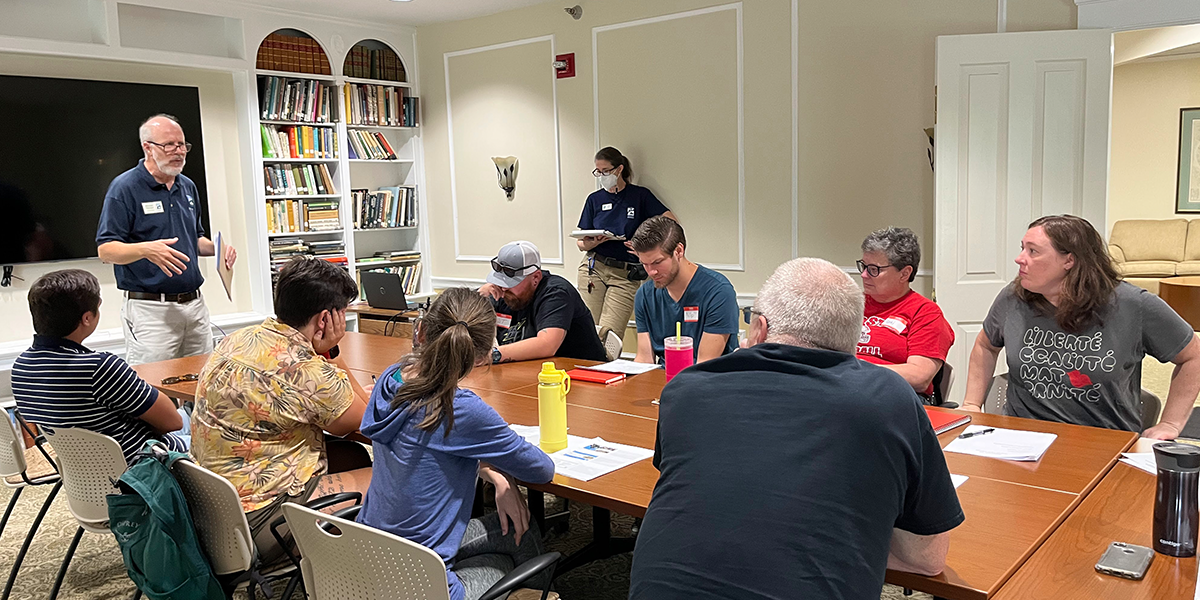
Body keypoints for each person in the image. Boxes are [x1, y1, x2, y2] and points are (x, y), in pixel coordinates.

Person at [629, 258, 963, 599]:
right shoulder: (888, 400)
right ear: (852, 343)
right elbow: (928, 558)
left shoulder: (686, 389)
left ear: (759, 328)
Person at [357, 287, 555, 600]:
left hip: (367, 556)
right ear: (480, 355)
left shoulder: (390, 380)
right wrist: (501, 471)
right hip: (422, 586)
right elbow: (542, 470)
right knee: (516, 541)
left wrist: (494, 474)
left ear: (421, 331)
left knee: (507, 531)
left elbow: (430, 452)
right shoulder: (459, 409)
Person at [191, 257, 372, 563]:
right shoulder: (307, 371)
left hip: (209, 509)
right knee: (397, 481)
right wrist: (331, 352)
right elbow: (367, 420)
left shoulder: (236, 340)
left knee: (351, 455)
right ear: (326, 320)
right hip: (261, 522)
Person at [961, 214, 1200, 439]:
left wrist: (1170, 424)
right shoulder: (1014, 298)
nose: (1020, 258)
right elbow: (985, 345)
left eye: (1033, 251)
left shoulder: (1133, 305)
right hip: (1022, 439)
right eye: (1022, 248)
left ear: (1069, 260)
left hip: (1102, 441)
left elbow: (1193, 357)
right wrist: (972, 403)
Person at [96, 114, 237, 366]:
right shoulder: (125, 188)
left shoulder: (187, 187)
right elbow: (106, 250)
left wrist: (218, 249)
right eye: (169, 145)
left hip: (194, 305)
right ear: (147, 148)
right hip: (151, 310)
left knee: (202, 380)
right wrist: (146, 250)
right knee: (152, 387)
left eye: (182, 145)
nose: (179, 151)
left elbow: (194, 239)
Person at [12, 270, 189, 462]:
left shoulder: (21, 368)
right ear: (87, 318)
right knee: (211, 428)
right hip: (145, 467)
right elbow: (173, 422)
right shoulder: (99, 368)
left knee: (191, 414)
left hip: (87, 472)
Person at [576, 147, 677, 347]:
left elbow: (671, 223)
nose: (601, 176)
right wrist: (593, 241)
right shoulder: (594, 199)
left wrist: (645, 245)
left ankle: (604, 373)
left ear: (619, 169)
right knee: (585, 330)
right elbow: (581, 243)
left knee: (609, 336)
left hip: (625, 273)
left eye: (605, 171)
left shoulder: (639, 196)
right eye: (598, 171)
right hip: (593, 268)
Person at [856, 227, 955, 399]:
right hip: (847, 389)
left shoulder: (925, 313)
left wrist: (857, 368)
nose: (864, 275)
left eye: (874, 269)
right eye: (863, 266)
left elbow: (919, 377)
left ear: (904, 273)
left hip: (893, 396)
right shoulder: (852, 304)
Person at [477, 240, 608, 363]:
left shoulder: (556, 292)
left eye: (511, 282)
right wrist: (477, 299)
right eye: (500, 281)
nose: (504, 287)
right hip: (527, 373)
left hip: (582, 374)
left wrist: (491, 356)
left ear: (535, 277)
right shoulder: (501, 292)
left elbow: (547, 344)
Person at [631, 216, 739, 364]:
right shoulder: (644, 295)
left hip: (708, 381)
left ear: (678, 251)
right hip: (663, 380)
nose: (651, 272)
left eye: (657, 262)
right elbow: (644, 359)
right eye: (645, 264)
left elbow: (705, 364)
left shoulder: (718, 292)